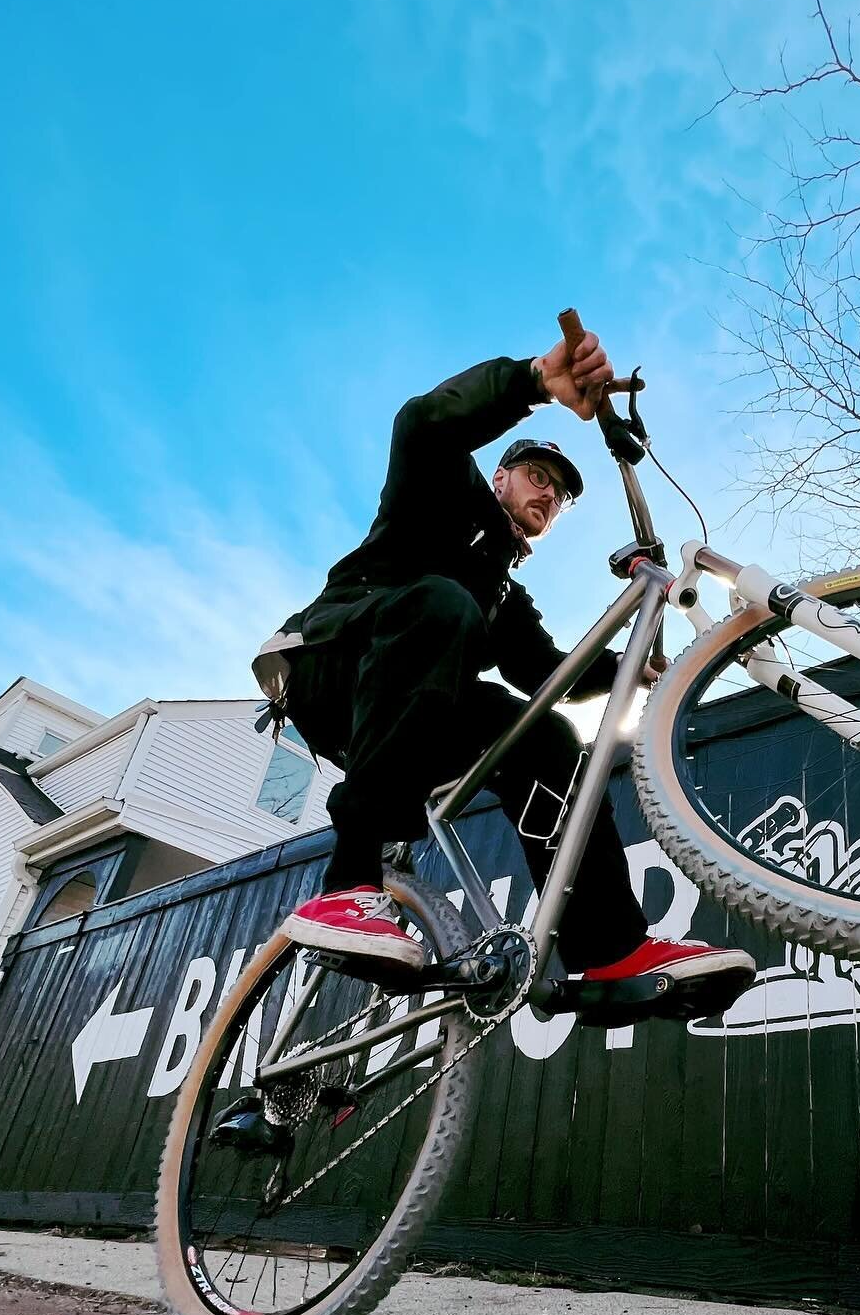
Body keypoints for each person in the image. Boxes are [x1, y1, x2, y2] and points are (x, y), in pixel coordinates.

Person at [251, 326, 753, 1008]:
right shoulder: (437, 496)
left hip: (415, 708)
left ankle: (606, 948)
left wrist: (634, 674)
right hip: (334, 672)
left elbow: (550, 674)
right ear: (500, 476)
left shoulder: (502, 597)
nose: (546, 495)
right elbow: (422, 422)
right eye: (537, 478)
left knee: (546, 736)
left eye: (560, 495)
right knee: (441, 605)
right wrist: (535, 382)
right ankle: (346, 883)